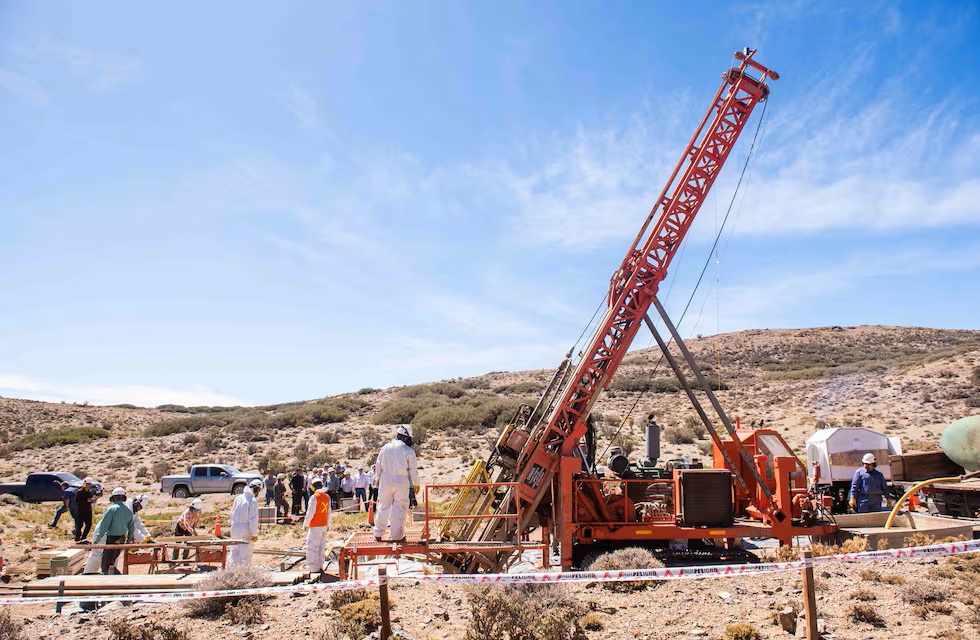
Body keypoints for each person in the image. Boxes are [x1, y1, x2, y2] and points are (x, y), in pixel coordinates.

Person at [373, 425, 420, 543]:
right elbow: (413, 471)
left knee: (383, 506)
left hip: (385, 480)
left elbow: (378, 464)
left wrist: (377, 478)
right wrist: (416, 483)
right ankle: (397, 536)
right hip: (401, 481)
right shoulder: (408, 451)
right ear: (405, 437)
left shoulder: (385, 448)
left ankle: (378, 533)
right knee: (399, 508)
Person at [92, 487, 135, 575]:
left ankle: (118, 578)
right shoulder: (128, 510)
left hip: (112, 539)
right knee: (112, 561)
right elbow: (131, 527)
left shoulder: (111, 509)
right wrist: (129, 539)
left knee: (106, 564)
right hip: (122, 539)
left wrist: (98, 538)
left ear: (113, 498)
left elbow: (104, 525)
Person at [229, 479, 261, 566]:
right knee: (246, 554)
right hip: (246, 529)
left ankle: (230, 572)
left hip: (234, 528)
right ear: (258, 490)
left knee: (234, 551)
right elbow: (253, 520)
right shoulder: (252, 500)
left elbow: (232, 514)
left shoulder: (238, 498)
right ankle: (243, 574)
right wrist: (254, 534)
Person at [303, 478, 331, 574]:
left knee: (312, 547)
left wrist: (305, 524)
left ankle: (313, 568)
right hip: (323, 524)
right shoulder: (327, 497)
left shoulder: (314, 497)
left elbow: (310, 512)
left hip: (315, 525)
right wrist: (328, 524)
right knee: (321, 546)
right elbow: (329, 512)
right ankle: (320, 565)